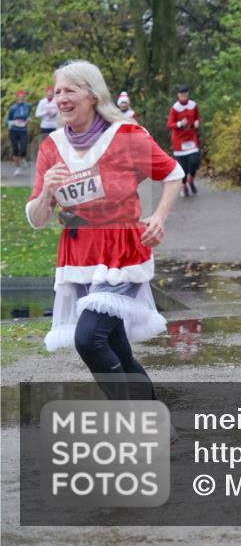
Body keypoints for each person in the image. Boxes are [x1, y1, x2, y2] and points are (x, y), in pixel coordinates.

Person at [25, 60, 183, 407]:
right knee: (114, 347)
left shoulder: (125, 136)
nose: (61, 98)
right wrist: (47, 194)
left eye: (70, 90)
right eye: (57, 92)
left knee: (89, 339)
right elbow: (37, 218)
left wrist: (158, 217)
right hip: (79, 255)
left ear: (92, 95)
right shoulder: (51, 147)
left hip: (120, 252)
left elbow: (173, 172)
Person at [167, 84, 201, 197]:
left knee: (194, 161)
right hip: (179, 141)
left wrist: (197, 122)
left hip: (191, 138)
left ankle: (191, 180)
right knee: (183, 167)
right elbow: (169, 125)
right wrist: (180, 123)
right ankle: (184, 185)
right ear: (178, 95)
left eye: (185, 94)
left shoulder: (193, 105)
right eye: (182, 95)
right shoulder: (175, 108)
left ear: (188, 94)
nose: (184, 96)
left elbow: (197, 117)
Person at [7, 90, 31, 175]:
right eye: (19, 97)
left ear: (24, 98)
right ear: (17, 98)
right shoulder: (12, 108)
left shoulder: (28, 106)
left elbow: (28, 116)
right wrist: (12, 122)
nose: (21, 98)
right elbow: (7, 120)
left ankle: (23, 157)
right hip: (13, 130)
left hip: (23, 130)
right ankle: (17, 168)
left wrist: (28, 119)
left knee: (23, 148)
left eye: (22, 97)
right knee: (15, 150)